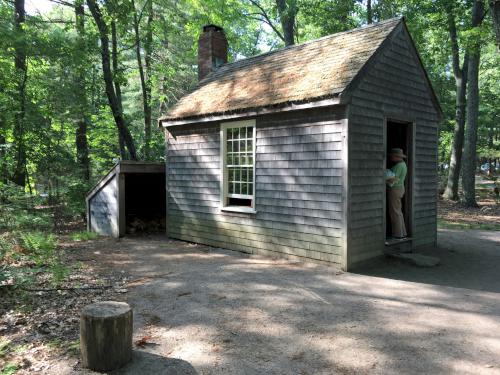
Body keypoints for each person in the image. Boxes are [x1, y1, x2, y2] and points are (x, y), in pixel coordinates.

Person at [386, 148, 407, 239]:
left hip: (395, 189)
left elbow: (393, 179)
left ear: (396, 157)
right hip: (400, 188)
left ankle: (398, 234)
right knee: (398, 211)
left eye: (392, 156)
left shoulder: (399, 166)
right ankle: (402, 233)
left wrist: (384, 179)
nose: (391, 158)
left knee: (394, 212)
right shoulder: (403, 164)